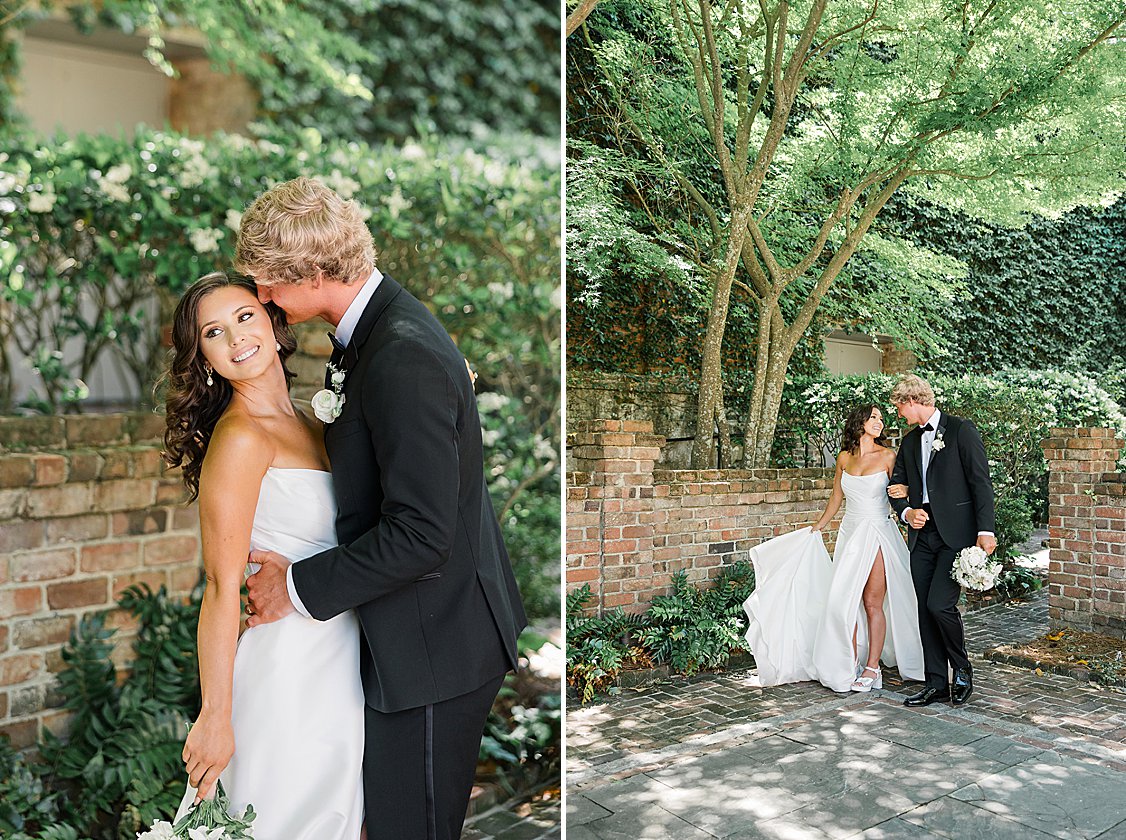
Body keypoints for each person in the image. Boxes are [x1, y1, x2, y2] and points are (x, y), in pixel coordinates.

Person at [236, 177, 527, 840]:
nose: (263, 297)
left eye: (270, 282)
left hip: (435, 649)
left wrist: (295, 586)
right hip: (415, 634)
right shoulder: (376, 334)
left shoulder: (401, 355)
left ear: (314, 274)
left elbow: (422, 534)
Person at [163, 273, 365, 839]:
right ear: (204, 359)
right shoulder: (240, 438)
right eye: (213, 333)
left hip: (344, 660)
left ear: (274, 325)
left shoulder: (315, 424)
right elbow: (222, 586)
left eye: (245, 317)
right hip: (288, 672)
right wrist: (215, 715)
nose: (235, 338)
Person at [743, 404, 924, 693]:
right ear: (860, 422)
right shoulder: (843, 458)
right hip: (850, 534)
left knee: (872, 603)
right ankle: (847, 662)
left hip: (877, 532)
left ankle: (872, 668)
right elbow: (836, 498)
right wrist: (817, 527)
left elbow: (905, 492)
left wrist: (908, 493)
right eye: (874, 417)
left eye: (881, 418)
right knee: (842, 603)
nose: (879, 422)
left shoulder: (888, 456)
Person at [887, 374, 996, 707]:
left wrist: (986, 530)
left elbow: (980, 482)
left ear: (912, 401)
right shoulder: (909, 442)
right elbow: (895, 488)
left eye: (900, 407)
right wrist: (907, 512)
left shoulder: (961, 430)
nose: (899, 413)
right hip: (921, 536)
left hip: (955, 535)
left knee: (939, 604)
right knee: (924, 609)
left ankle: (961, 668)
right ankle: (935, 683)